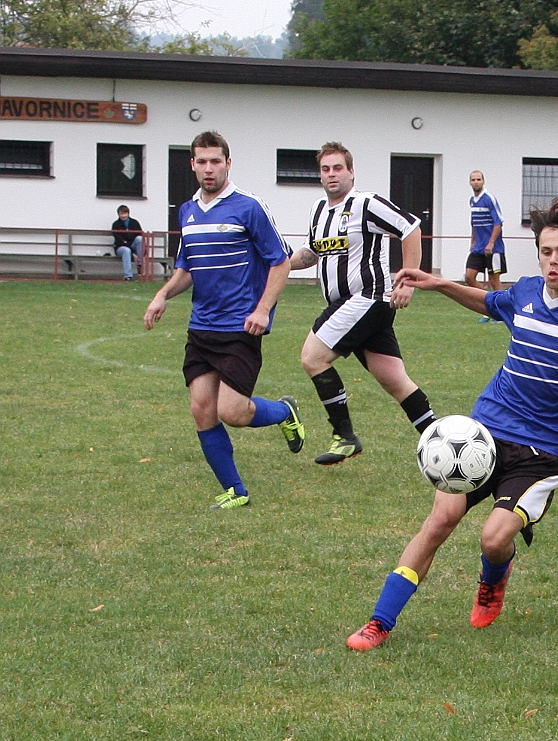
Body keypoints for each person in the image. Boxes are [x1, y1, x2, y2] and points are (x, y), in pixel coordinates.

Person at [345, 203, 558, 652]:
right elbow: (490, 303)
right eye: (546, 251)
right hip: (485, 433)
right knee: (439, 521)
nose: (553, 261)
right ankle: (379, 621)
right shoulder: (526, 291)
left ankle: (494, 577)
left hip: (544, 451)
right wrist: (439, 283)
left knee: (493, 539)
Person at [143, 131, 305, 510]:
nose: (208, 168)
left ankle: (284, 411)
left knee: (232, 412)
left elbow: (280, 262)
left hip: (240, 328)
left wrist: (262, 309)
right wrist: (162, 294)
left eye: (215, 161)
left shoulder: (249, 207)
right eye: (201, 161)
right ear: (192, 165)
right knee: (202, 409)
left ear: (228, 163)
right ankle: (236, 491)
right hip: (201, 328)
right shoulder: (187, 211)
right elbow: (187, 267)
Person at [288, 142, 436, 465]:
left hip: (367, 299)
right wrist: (281, 265)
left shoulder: (366, 204)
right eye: (325, 169)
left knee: (312, 357)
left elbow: (410, 228)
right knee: (395, 380)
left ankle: (345, 436)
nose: (332, 174)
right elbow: (312, 253)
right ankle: (441, 442)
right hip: (351, 308)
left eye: (338, 168)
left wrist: (407, 280)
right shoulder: (318, 210)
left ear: (351, 172)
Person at [466, 171, 506, 303]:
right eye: (473, 180)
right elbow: (474, 222)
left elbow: (498, 222)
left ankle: (502, 307)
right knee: (469, 277)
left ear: (483, 181)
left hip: (493, 248)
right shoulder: (472, 201)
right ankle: (487, 302)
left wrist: (491, 243)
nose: (476, 182)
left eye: (478, 179)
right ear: (470, 182)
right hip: (478, 247)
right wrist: (473, 241)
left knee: (494, 280)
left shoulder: (489, 199)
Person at [111, 205, 144, 281]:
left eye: (125, 213)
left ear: (128, 213)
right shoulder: (115, 225)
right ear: (118, 214)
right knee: (126, 250)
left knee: (140, 239)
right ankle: (128, 276)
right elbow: (119, 240)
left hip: (133, 246)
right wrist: (132, 253)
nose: (123, 216)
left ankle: (140, 264)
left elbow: (140, 235)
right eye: (121, 214)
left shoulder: (135, 222)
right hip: (121, 247)